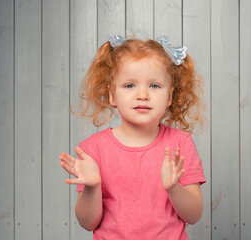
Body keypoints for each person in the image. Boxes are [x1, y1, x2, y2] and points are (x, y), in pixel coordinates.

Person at [59, 35, 206, 240]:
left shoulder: (180, 144)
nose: (142, 95)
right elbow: (87, 223)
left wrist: (173, 189)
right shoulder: (92, 150)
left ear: (170, 97)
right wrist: (92, 187)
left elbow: (194, 215)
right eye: (129, 85)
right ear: (112, 95)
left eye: (154, 86)